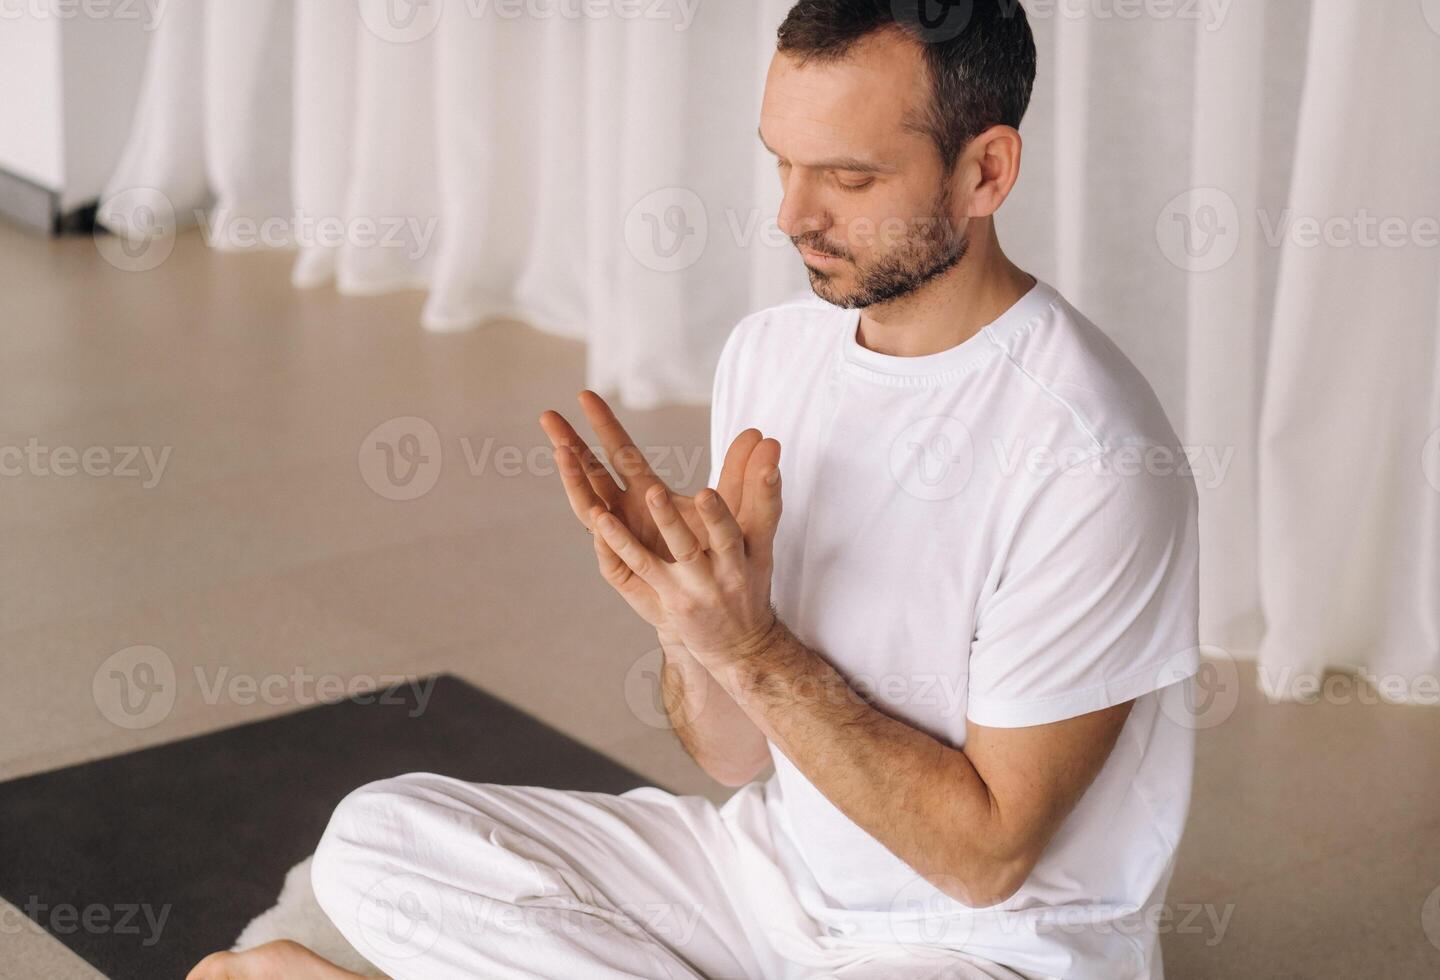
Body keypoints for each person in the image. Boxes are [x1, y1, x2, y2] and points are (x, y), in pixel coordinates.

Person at [191, 1, 1200, 977]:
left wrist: (752, 645)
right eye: (782, 162)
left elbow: (986, 859)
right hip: (765, 887)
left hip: (982, 945)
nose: (793, 215)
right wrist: (691, 618)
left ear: (985, 170)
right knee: (377, 842)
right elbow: (728, 757)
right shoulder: (771, 353)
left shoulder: (1093, 454)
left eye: (847, 177)